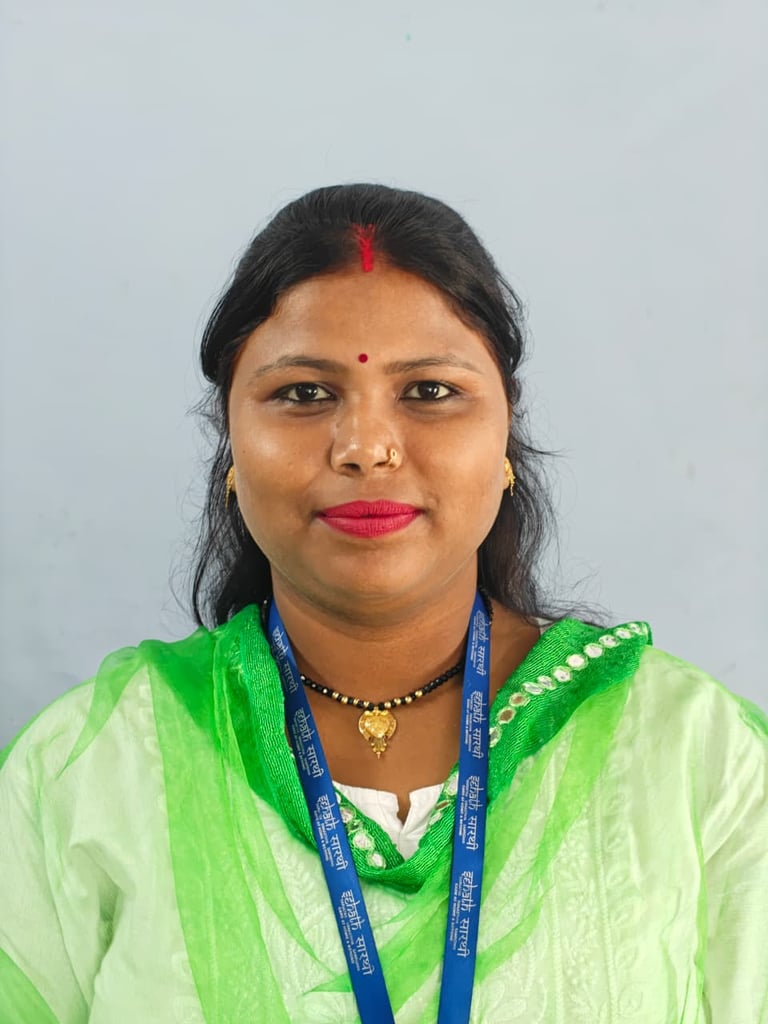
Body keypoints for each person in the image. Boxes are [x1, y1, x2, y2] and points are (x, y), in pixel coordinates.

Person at [1, 184, 766, 1024]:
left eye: (429, 391)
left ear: (505, 437)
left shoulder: (699, 759)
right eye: (304, 394)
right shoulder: (87, 771)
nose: (366, 448)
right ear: (230, 446)